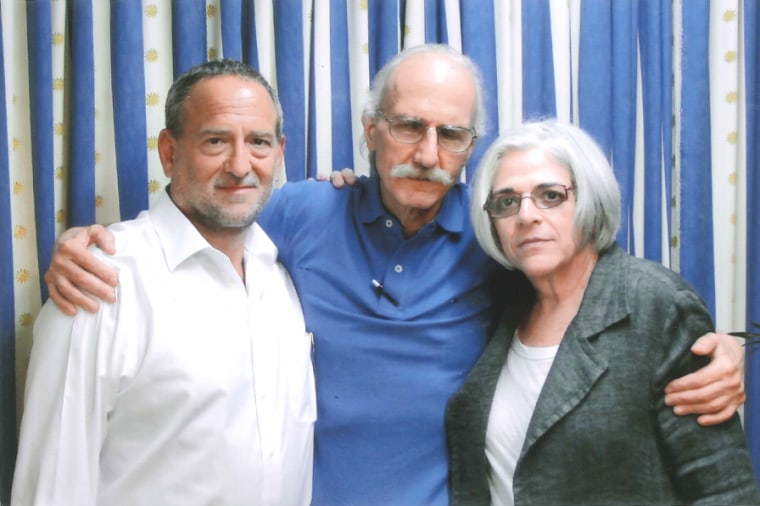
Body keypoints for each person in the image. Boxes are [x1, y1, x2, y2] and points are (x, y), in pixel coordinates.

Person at [43, 45, 746, 505]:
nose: (428, 152)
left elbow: (602, 300)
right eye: (408, 126)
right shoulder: (296, 213)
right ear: (371, 130)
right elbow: (208, 219)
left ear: (472, 147)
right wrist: (92, 245)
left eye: (451, 135)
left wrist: (732, 346)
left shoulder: (496, 240)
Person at [12, 59, 316, 505]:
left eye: (258, 142)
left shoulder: (282, 277)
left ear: (280, 152)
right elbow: (52, 487)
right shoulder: (100, 284)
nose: (240, 164)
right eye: (215, 140)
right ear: (169, 153)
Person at [446, 119, 759, 505]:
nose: (526, 216)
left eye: (550, 195)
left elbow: (726, 492)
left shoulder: (656, 304)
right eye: (507, 202)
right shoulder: (498, 305)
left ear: (590, 199)